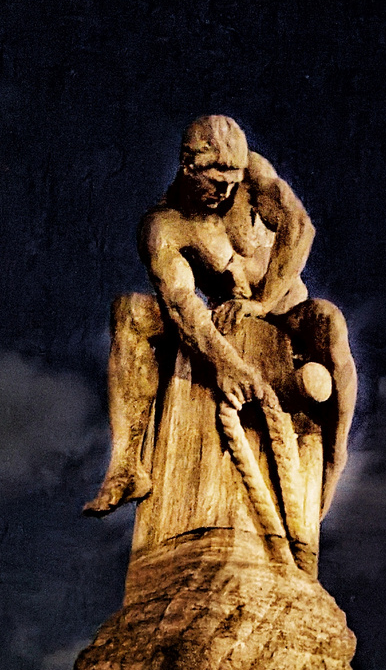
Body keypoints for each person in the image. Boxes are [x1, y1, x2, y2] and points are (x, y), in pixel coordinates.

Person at [84, 114, 355, 519]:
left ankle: (335, 463)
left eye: (234, 177)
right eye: (215, 178)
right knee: (130, 313)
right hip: (223, 321)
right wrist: (225, 363)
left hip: (285, 311)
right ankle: (125, 463)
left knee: (330, 321)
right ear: (187, 165)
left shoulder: (252, 176)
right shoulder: (164, 226)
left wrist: (263, 302)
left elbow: (300, 228)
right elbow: (179, 302)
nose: (226, 188)